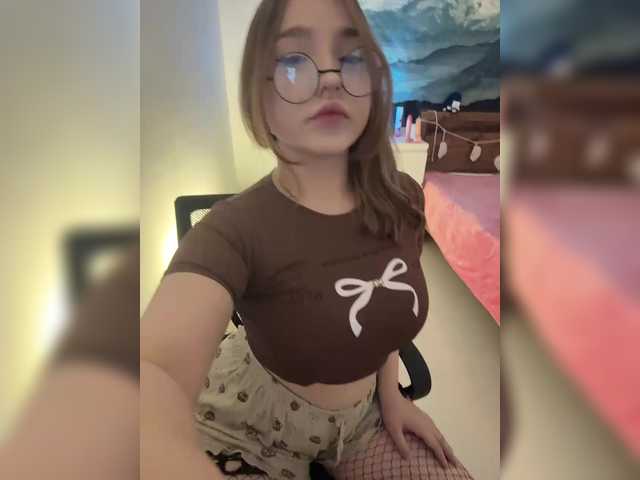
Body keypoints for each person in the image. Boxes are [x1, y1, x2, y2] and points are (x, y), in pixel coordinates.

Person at [141, 1, 475, 478]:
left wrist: (391, 397)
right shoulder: (231, 228)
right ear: (259, 96)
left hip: (362, 422)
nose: (331, 78)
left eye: (352, 57)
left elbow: (385, 315)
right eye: (294, 60)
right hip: (248, 427)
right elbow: (153, 373)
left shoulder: (403, 199)